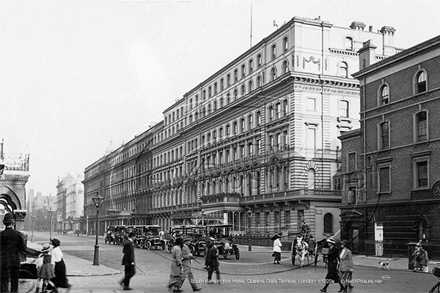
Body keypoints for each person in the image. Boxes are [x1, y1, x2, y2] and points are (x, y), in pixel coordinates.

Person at [0, 213, 27, 293]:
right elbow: (23, 249)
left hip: (3, 262)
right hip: (14, 262)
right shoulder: (18, 234)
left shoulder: (0, 235)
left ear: (4, 223)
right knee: (14, 283)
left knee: (3, 283)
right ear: (13, 223)